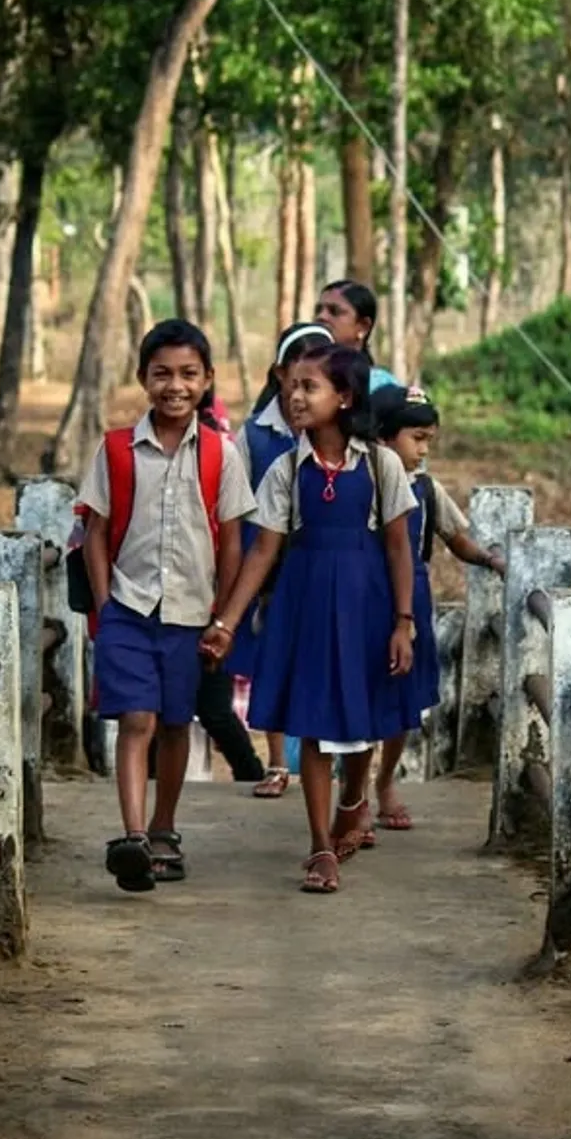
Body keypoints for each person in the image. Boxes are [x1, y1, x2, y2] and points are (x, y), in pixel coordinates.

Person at [201, 345, 417, 895]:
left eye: (309, 387)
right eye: (291, 386)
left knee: (362, 720)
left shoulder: (381, 465)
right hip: (308, 604)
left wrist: (403, 621)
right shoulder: (285, 470)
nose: (294, 397)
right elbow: (263, 551)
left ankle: (353, 801)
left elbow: (398, 547)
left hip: (366, 605)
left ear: (343, 397)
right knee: (314, 720)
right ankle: (321, 844)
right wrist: (227, 623)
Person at [79, 318, 255, 893]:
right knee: (138, 720)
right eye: (162, 374)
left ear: (207, 380)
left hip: (192, 615)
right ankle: (132, 837)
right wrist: (105, 605)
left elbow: (232, 541)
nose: (175, 386)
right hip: (129, 609)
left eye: (188, 374)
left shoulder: (222, 454)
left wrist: (222, 616)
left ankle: (163, 828)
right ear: (142, 379)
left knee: (177, 723)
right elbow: (96, 533)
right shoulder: (115, 450)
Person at [371, 383, 504, 829]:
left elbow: (454, 536)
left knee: (404, 701)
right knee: (360, 693)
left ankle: (385, 782)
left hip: (412, 600)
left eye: (429, 440)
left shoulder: (426, 489)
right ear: (383, 437)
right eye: (417, 438)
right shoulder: (360, 483)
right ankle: (351, 794)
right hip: (365, 598)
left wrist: (489, 560)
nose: (424, 450)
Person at [231, 319, 335, 797]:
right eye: (297, 378)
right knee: (272, 659)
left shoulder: (341, 434)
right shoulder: (255, 436)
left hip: (326, 561)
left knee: (324, 659)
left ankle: (325, 759)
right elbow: (235, 507)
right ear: (279, 374)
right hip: (270, 566)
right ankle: (276, 762)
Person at [314, 279, 399, 392]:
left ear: (363, 326)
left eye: (334, 311)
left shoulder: (381, 386)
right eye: (318, 310)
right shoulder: (302, 377)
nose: (321, 317)